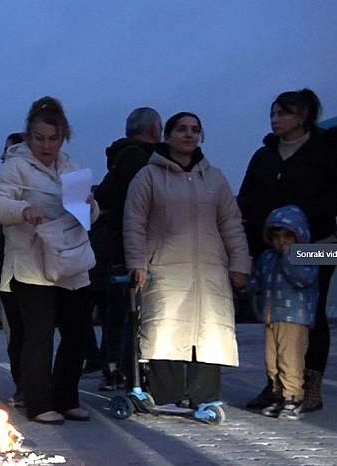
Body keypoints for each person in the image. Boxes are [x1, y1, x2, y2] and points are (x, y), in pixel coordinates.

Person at [0, 96, 99, 425]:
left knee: (78, 333)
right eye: (39, 138)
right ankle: (38, 403)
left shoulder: (71, 167)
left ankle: (67, 398)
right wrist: (22, 210)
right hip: (31, 266)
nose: (46, 145)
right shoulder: (15, 166)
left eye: (53, 138)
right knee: (39, 335)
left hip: (71, 262)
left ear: (64, 137)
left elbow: (91, 215)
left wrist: (89, 205)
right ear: (28, 136)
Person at [124, 112, 250, 410]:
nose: (189, 134)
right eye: (181, 129)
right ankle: (167, 395)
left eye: (195, 129)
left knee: (210, 332)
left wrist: (239, 264)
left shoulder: (215, 178)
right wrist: (137, 262)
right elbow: (134, 222)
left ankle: (204, 397)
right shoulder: (148, 176)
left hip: (210, 270)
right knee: (165, 331)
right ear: (167, 136)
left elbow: (231, 223)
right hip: (164, 269)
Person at [238, 89, 337, 413]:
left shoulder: (325, 149)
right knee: (274, 314)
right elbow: (247, 200)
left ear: (303, 116)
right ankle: (277, 384)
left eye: (283, 113)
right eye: (273, 113)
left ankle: (309, 385)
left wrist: (299, 215)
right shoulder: (263, 156)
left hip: (318, 245)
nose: (275, 119)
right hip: (272, 250)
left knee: (312, 310)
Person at [91, 107, 162, 391]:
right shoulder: (139, 158)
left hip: (118, 244)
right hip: (131, 246)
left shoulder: (121, 158)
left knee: (118, 308)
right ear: (154, 129)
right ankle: (120, 368)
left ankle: (114, 367)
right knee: (126, 309)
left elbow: (105, 195)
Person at [247, 205, 317, 421]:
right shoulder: (267, 256)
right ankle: (278, 394)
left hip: (295, 317)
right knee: (272, 360)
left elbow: (303, 279)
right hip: (270, 317)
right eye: (276, 236)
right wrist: (245, 281)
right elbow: (257, 282)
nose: (282, 241)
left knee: (290, 359)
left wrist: (288, 257)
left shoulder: (307, 253)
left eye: (288, 235)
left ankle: (293, 397)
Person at [0, 132, 26, 408]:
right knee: (20, 335)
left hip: (20, 270)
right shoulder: (2, 184)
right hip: (14, 269)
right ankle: (26, 386)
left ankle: (27, 386)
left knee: (20, 335)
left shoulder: (10, 180)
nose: (4, 155)